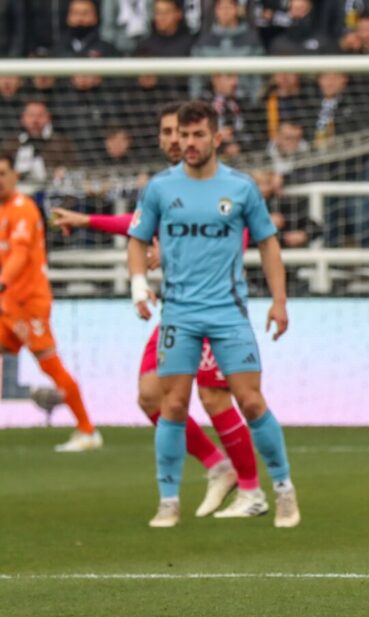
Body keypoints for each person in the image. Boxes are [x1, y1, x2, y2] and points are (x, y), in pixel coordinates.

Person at [50, 102, 267, 521]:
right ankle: (217, 465)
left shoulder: (225, 186)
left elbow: (233, 239)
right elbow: (135, 226)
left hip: (214, 305)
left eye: (181, 132)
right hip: (176, 310)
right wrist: (86, 220)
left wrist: (168, 250)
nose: (174, 140)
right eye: (168, 132)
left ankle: (252, 491)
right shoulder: (165, 187)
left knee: (214, 395)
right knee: (150, 397)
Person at [126, 100, 298, 529]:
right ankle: (168, 501)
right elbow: (136, 238)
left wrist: (279, 301)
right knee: (172, 404)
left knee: (252, 402)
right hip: (179, 314)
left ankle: (283, 491)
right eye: (182, 135)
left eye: (197, 135)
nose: (188, 143)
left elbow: (269, 244)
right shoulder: (161, 188)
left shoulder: (240, 188)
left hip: (228, 313)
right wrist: (137, 286)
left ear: (216, 138)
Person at [0, 154, 101, 452]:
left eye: (3, 173)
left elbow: (19, 255)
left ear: (15, 176)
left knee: (50, 365)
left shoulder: (23, 209)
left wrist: (2, 281)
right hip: (6, 302)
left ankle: (87, 430)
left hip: (29, 301)